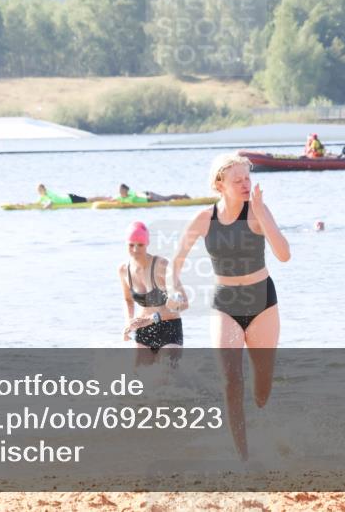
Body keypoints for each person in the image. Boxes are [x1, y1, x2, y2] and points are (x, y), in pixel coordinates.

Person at [172, 153, 291, 460]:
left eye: (248, 178)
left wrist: (263, 212)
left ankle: (264, 422)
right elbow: (177, 259)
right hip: (225, 303)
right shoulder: (203, 219)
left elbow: (284, 254)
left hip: (262, 301)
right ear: (219, 184)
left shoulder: (257, 212)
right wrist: (176, 285)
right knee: (231, 381)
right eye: (237, 180)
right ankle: (243, 458)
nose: (245, 184)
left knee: (261, 388)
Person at [120, 222, 188, 366]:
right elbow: (127, 300)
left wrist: (153, 318)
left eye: (140, 245)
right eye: (131, 245)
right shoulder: (123, 270)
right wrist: (129, 323)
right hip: (143, 328)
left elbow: (183, 302)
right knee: (139, 380)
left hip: (169, 327)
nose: (135, 249)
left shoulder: (161, 265)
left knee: (166, 377)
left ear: (147, 243)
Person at [36, 184, 107, 209]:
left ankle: (105, 198)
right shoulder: (43, 196)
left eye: (40, 190)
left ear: (44, 189)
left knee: (89, 200)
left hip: (71, 199)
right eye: (38, 190)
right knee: (89, 199)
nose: (39, 192)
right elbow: (37, 203)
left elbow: (50, 202)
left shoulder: (49, 194)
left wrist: (44, 208)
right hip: (69, 197)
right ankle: (104, 197)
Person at [115, 184, 191, 203]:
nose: (120, 191)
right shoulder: (120, 197)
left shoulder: (131, 193)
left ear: (125, 190)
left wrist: (146, 197)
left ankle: (184, 196)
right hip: (148, 199)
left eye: (121, 190)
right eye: (119, 190)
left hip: (149, 196)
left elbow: (139, 194)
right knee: (166, 199)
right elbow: (113, 199)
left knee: (166, 199)